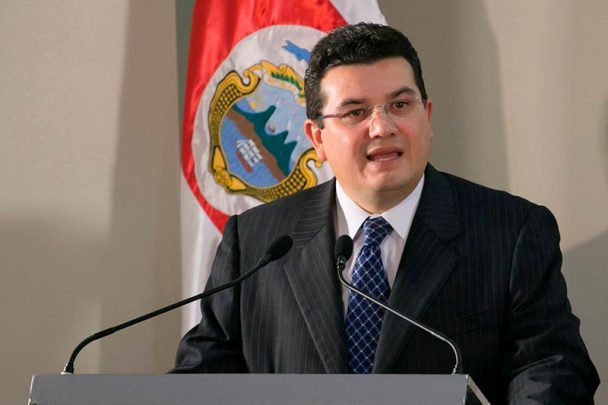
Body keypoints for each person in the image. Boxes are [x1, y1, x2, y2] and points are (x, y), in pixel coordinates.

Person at [172, 23, 599, 403]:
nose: (382, 127)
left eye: (400, 105)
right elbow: (203, 375)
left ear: (426, 115)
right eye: (356, 112)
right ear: (317, 138)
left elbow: (551, 369)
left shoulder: (512, 231)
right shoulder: (256, 242)